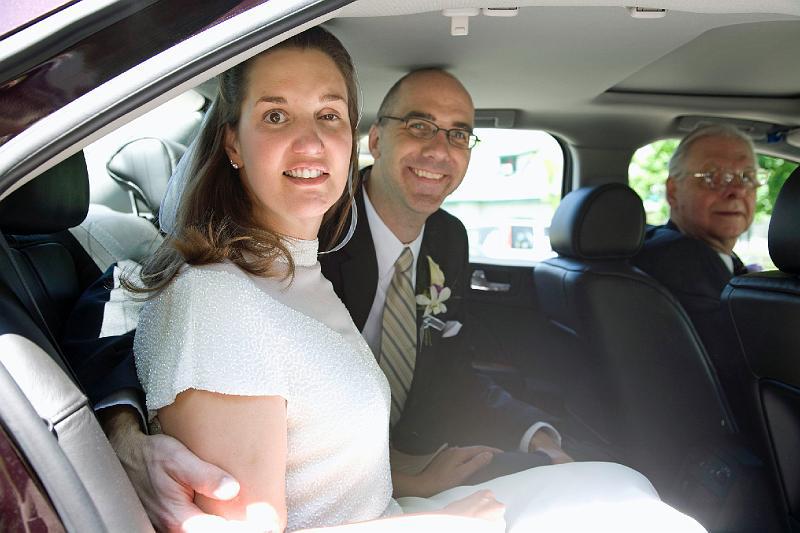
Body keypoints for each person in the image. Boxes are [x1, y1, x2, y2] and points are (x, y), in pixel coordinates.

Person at [119, 25, 705, 533]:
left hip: (390, 478)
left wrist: (522, 436)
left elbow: (448, 365)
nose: (310, 142)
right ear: (374, 141)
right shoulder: (228, 287)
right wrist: (119, 427)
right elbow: (136, 313)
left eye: (328, 116)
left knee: (621, 481)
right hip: (392, 508)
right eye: (276, 115)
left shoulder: (325, 264)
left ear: (348, 136)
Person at [318, 68, 571, 497]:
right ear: (376, 140)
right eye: (419, 126)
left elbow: (452, 370)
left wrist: (534, 434)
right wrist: (404, 483)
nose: (439, 150)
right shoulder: (321, 225)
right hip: (325, 465)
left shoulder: (448, 238)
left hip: (417, 448)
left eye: (458, 135)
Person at [631, 124, 760, 424]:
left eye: (747, 176)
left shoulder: (664, 244)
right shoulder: (684, 262)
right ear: (673, 191)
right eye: (712, 176)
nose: (736, 190)